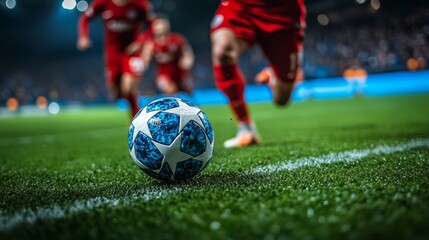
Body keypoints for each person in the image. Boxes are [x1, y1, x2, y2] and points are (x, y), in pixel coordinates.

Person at [210, 0, 306, 148]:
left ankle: (274, 75)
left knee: (281, 100)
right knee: (222, 52)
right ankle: (245, 127)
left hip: (282, 11)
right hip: (242, 4)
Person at [77, 0, 153, 118]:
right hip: (113, 53)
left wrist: (140, 42)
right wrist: (83, 37)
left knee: (127, 87)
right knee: (116, 93)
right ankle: (135, 112)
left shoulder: (140, 4)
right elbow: (85, 18)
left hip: (132, 52)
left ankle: (136, 118)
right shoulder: (102, 3)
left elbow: (152, 24)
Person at [142, 15, 194, 95]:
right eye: (157, 25)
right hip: (163, 74)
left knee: (188, 91)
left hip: (180, 73)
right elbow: (145, 58)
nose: (159, 27)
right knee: (171, 90)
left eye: (161, 24)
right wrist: (144, 64)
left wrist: (187, 60)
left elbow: (188, 54)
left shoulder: (177, 39)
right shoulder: (151, 44)